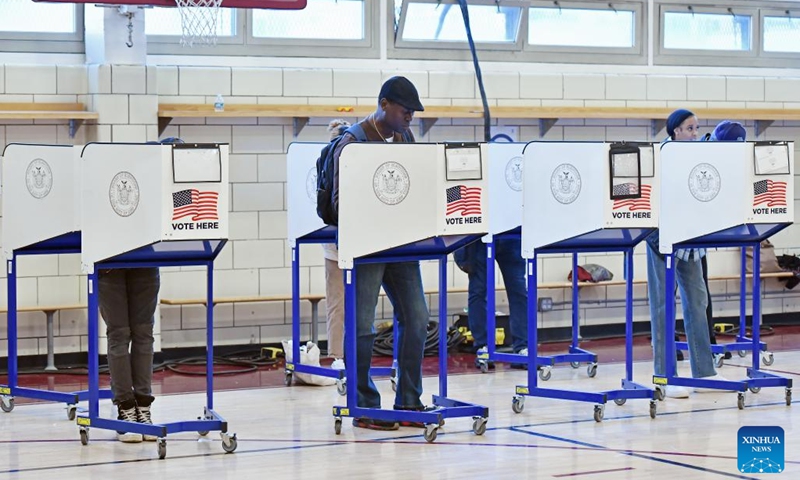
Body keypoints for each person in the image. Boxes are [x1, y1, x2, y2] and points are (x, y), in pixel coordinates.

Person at [331, 76, 429, 430]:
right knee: (362, 327)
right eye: (405, 110)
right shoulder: (352, 143)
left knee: (418, 318)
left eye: (413, 112)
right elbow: (340, 203)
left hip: (402, 244)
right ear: (384, 103)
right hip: (366, 246)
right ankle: (364, 404)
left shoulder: (406, 138)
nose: (410, 117)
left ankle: (409, 400)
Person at [99, 137, 182, 442]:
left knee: (143, 332)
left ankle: (143, 405)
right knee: (120, 333)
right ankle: (125, 408)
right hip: (110, 262)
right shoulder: (107, 175)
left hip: (145, 261)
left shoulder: (157, 181)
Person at [647, 110, 726, 399]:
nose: (694, 133)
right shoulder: (664, 157)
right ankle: (664, 374)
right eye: (689, 128)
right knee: (662, 304)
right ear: (675, 132)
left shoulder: (699, 160)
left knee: (697, 301)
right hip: (661, 238)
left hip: (690, 239)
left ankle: (704, 371)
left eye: (696, 128)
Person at [454, 239, 528, 366]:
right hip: (481, 236)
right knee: (480, 291)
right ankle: (483, 347)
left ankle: (522, 348)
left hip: (510, 234)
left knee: (518, 292)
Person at [322, 119, 350, 370]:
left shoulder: (324, 160)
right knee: (343, 304)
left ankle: (340, 357)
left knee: (338, 304)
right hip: (340, 245)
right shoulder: (350, 160)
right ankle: (341, 355)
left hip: (338, 245)